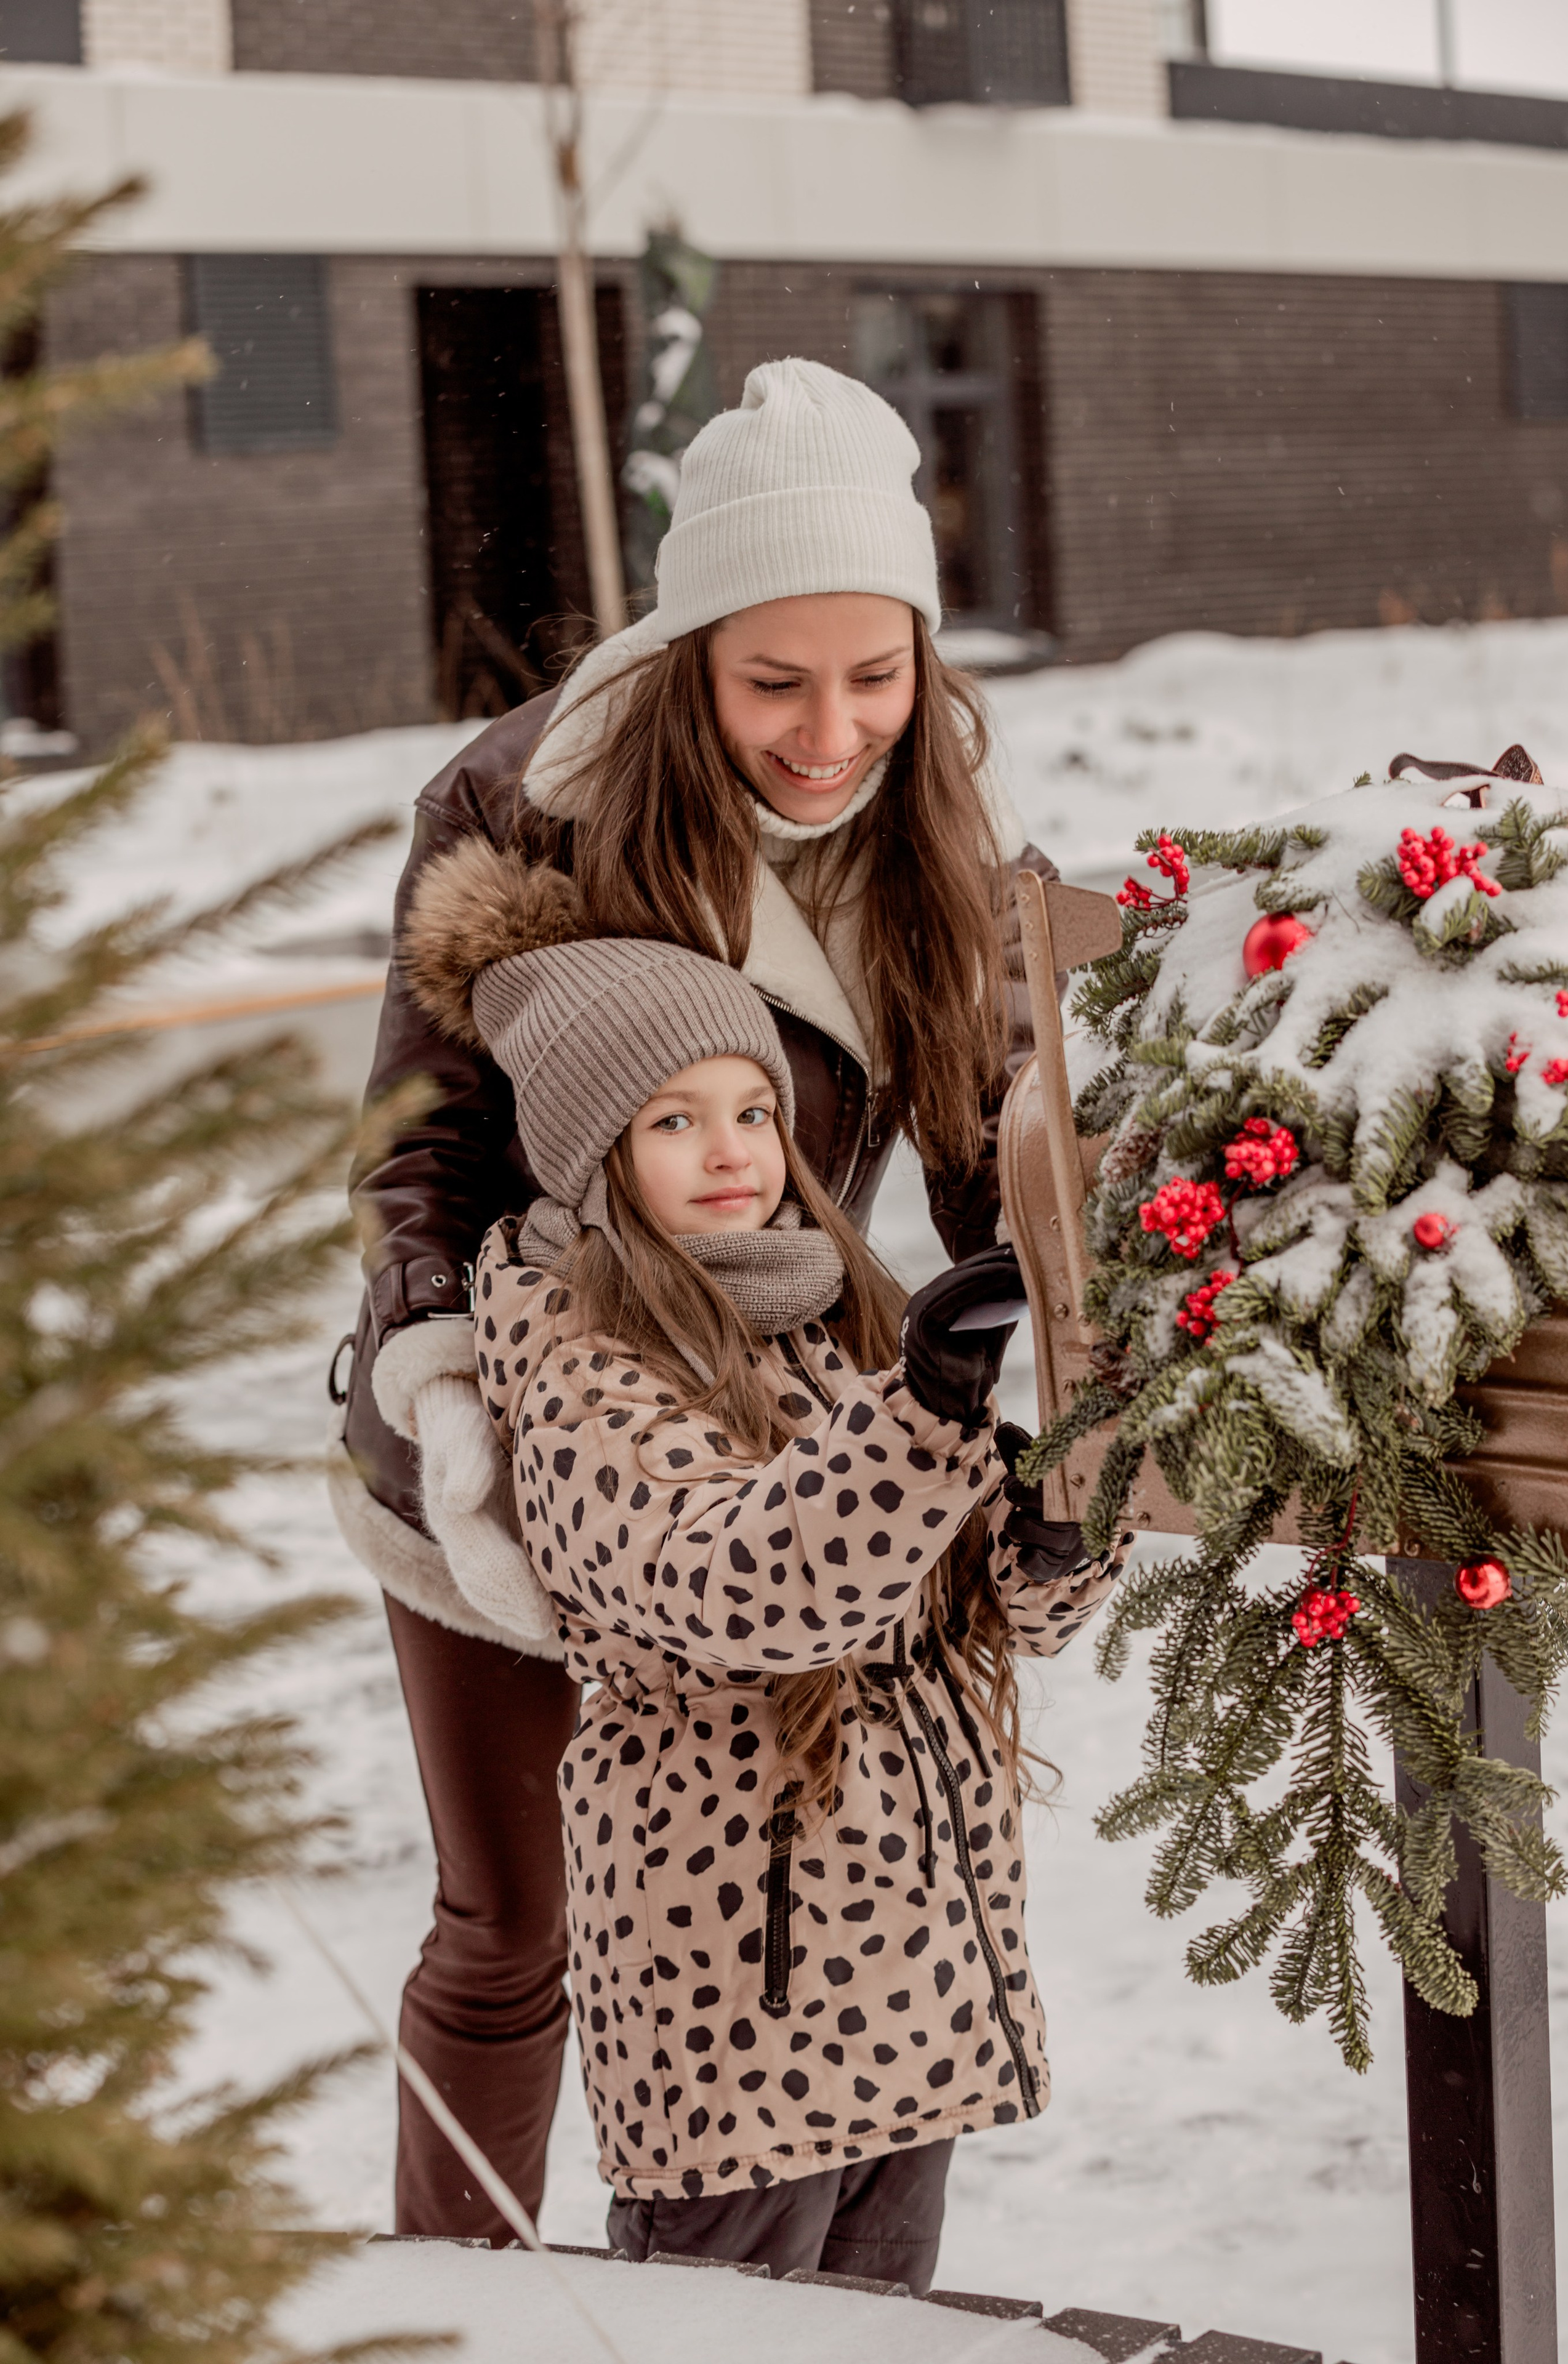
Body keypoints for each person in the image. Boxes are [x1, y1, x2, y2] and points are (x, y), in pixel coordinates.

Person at [329, 356, 1063, 2241]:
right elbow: (422, 1151)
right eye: (775, 681)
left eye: (877, 675)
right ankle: (460, 2303)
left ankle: (790, 2264)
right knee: (517, 1916)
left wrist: (1055, 1353)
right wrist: (453, 1403)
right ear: (690, 655)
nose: (834, 731)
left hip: (779, 1430)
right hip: (524, 1397)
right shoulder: (526, 801)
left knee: (765, 1904)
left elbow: (992, 1145)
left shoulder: (929, 831)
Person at [382, 845, 1120, 2285]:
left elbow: (960, 1604)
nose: (731, 1152)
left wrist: (1047, 1538)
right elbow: (745, 1587)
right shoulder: (580, 1365)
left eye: (752, 1112)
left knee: (881, 2332)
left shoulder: (823, 1303)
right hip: (740, 2016)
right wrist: (924, 1410)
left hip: (911, 1984)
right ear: (591, 1150)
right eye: (674, 1120)